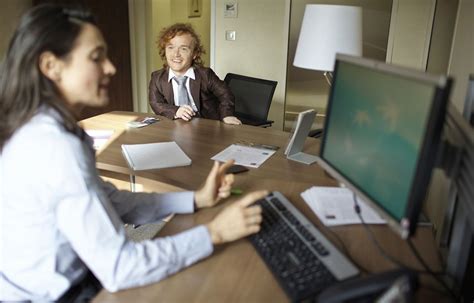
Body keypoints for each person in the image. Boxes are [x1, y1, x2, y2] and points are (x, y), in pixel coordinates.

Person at [0, 4, 265, 302]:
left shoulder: (52, 129)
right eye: (96, 57)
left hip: (67, 274)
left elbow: (111, 199)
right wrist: (214, 232)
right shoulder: (54, 149)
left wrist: (195, 199)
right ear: (51, 66)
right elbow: (119, 267)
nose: (111, 67)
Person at [148, 23, 242, 125]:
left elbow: (225, 94)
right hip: (175, 126)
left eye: (183, 48)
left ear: (194, 54)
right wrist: (175, 111)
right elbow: (156, 103)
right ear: (164, 50)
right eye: (171, 47)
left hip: (206, 127)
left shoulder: (205, 75)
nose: (176, 54)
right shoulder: (157, 78)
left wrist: (226, 115)